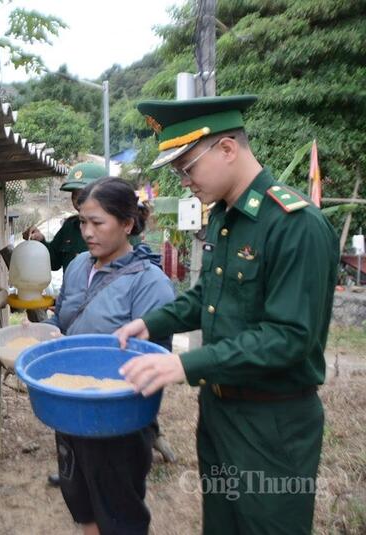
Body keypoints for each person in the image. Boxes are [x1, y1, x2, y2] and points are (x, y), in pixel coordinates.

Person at [115, 95, 339, 535]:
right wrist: (152, 322)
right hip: (219, 412)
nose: (185, 182)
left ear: (228, 149)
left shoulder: (296, 225)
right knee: (222, 524)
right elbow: (207, 298)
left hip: (272, 423)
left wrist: (183, 364)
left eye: (188, 167)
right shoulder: (224, 217)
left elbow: (289, 338)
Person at [43, 177, 175, 535]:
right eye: (83, 222)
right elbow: (62, 318)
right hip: (69, 408)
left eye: (98, 222)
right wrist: (52, 333)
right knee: (81, 501)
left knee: (118, 514)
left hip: (119, 420)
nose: (87, 232)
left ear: (127, 224)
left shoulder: (150, 284)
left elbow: (156, 357)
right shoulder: (77, 268)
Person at [23, 162, 107, 273]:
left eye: (83, 194)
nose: (77, 200)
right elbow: (54, 262)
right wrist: (40, 241)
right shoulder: (70, 226)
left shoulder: (118, 230)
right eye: (74, 194)